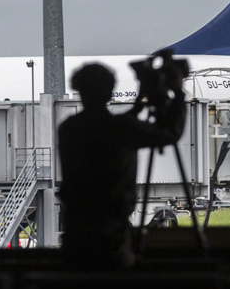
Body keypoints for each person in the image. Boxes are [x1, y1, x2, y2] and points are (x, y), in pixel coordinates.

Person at [58, 62, 185, 269]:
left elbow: (100, 129)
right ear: (109, 92)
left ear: (79, 90)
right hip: (111, 238)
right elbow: (170, 133)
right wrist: (178, 93)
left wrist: (135, 109)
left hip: (76, 236)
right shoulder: (123, 128)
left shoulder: (68, 129)